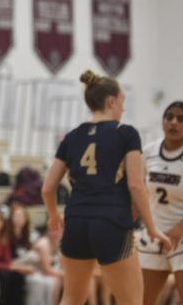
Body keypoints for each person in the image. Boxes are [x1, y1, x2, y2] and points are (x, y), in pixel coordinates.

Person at [42, 69, 171, 305]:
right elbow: (136, 184)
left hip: (76, 220)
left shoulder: (71, 137)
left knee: (71, 298)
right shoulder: (126, 133)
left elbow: (48, 188)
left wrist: (53, 216)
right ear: (111, 101)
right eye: (122, 102)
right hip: (111, 221)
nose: (123, 109)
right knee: (131, 301)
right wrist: (152, 229)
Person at [138, 101, 183, 305]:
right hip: (155, 234)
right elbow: (137, 193)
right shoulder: (148, 152)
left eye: (181, 119)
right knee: (141, 300)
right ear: (163, 121)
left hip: (180, 235)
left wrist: (178, 230)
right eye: (169, 117)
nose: (174, 122)